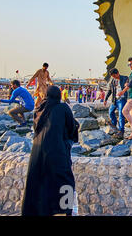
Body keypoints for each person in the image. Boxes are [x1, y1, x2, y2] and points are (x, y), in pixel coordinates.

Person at [21, 86, 79, 216]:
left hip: (37, 153)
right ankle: (66, 211)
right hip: (56, 152)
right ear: (58, 96)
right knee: (66, 182)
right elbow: (71, 126)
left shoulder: (39, 110)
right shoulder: (63, 108)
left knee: (41, 183)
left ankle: (40, 212)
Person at [104, 68, 128, 139]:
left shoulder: (125, 78)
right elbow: (109, 90)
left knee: (121, 115)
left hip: (122, 99)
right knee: (110, 112)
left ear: (117, 73)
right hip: (115, 100)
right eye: (112, 77)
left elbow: (128, 86)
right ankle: (114, 125)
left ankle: (121, 131)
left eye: (114, 76)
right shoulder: (112, 81)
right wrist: (105, 99)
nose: (113, 78)